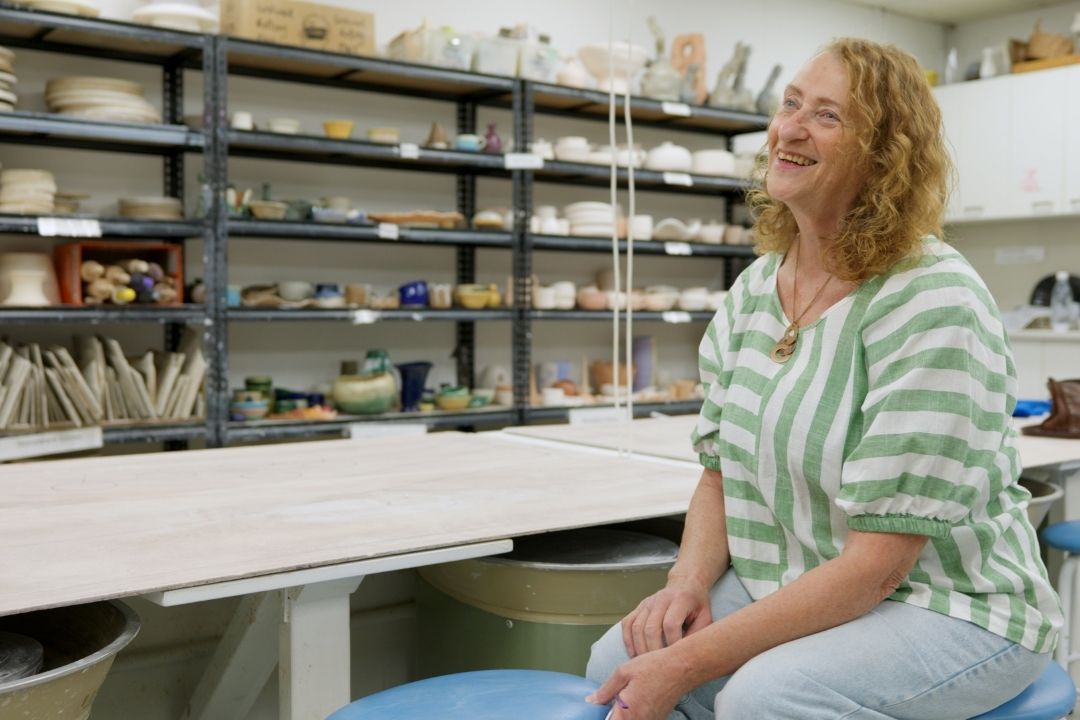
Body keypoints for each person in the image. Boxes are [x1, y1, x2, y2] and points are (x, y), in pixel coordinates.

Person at [585, 37, 1062, 720]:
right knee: (617, 665)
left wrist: (689, 660)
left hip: (951, 606)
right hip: (793, 577)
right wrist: (685, 584)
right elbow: (719, 474)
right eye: (790, 105)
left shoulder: (931, 299)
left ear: (883, 156)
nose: (791, 128)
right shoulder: (754, 291)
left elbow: (880, 566)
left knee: (769, 695)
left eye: (828, 116)